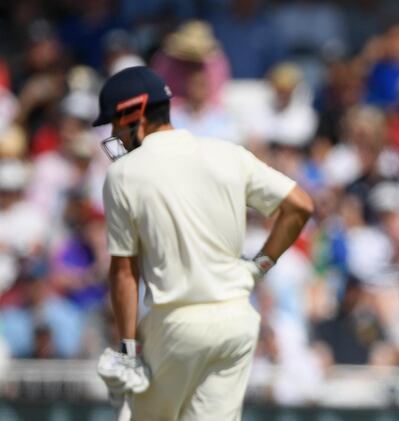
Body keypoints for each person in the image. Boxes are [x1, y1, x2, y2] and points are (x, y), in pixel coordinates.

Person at [92, 66, 313, 420]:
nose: (115, 133)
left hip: (177, 326)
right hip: (237, 323)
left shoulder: (123, 174)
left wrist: (128, 351)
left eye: (117, 123)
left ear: (135, 115)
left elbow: (123, 273)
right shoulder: (228, 154)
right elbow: (300, 206)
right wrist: (260, 267)